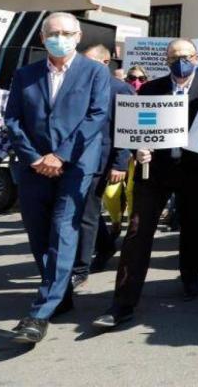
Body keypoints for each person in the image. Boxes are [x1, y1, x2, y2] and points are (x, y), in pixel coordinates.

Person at [92, 39, 198, 330]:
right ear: (166, 60)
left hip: (194, 172)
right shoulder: (150, 90)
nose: (181, 61)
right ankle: (122, 303)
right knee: (137, 233)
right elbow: (134, 129)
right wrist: (138, 149)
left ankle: (190, 276)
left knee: (194, 227)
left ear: (196, 57)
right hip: (154, 173)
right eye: (175, 56)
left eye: (186, 56)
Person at [5, 12, 111, 344]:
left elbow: (96, 117)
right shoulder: (25, 74)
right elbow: (13, 120)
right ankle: (60, 295)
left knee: (63, 232)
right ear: (42, 38)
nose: (60, 38)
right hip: (33, 167)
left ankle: (39, 313)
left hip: (75, 167)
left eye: (67, 33)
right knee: (38, 234)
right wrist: (35, 157)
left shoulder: (95, 72)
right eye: (54, 33)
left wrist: (60, 155)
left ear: (78, 37)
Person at [71, 45, 132, 290]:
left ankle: (80, 268)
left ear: (105, 62)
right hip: (73, 159)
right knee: (82, 211)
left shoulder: (120, 89)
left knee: (86, 213)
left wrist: (119, 163)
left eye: (88, 61)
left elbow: (124, 130)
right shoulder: (75, 84)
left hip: (101, 161)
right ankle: (106, 245)